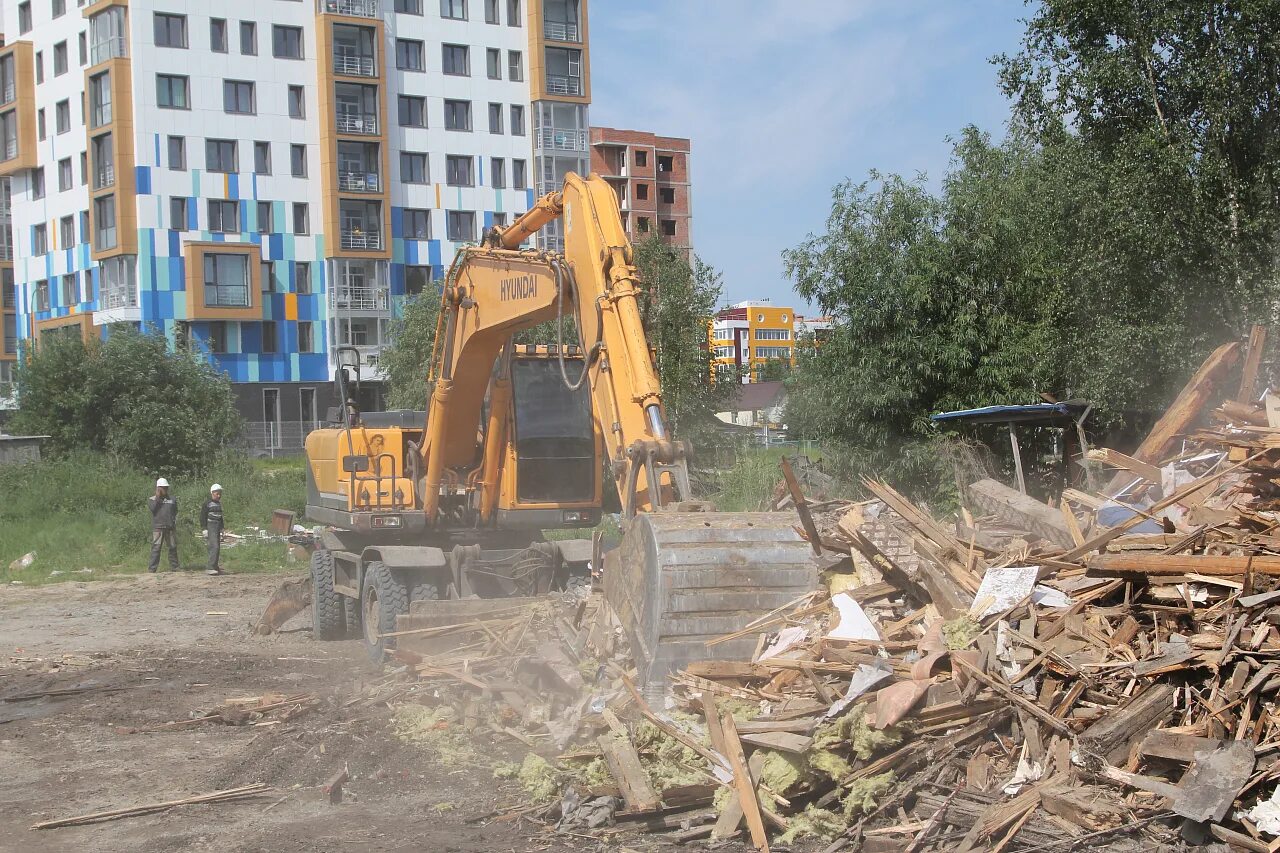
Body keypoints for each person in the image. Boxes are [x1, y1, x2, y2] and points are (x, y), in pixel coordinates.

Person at [147, 478, 179, 573]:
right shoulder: (152, 499)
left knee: (172, 547)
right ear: (158, 488)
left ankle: (175, 567)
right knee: (156, 548)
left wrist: (173, 521)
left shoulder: (172, 499)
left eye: (166, 487)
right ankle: (152, 569)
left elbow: (175, 511)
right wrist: (157, 497)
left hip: (170, 527)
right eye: (163, 488)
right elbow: (153, 509)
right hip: (158, 528)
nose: (165, 489)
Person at [201, 484, 225, 576]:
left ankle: (215, 566)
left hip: (217, 526)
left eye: (220, 494)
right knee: (214, 546)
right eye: (217, 494)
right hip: (210, 526)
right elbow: (202, 516)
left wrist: (222, 528)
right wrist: (204, 529)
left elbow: (220, 517)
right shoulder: (207, 503)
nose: (219, 496)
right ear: (212, 493)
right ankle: (210, 567)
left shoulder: (219, 504)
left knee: (217, 547)